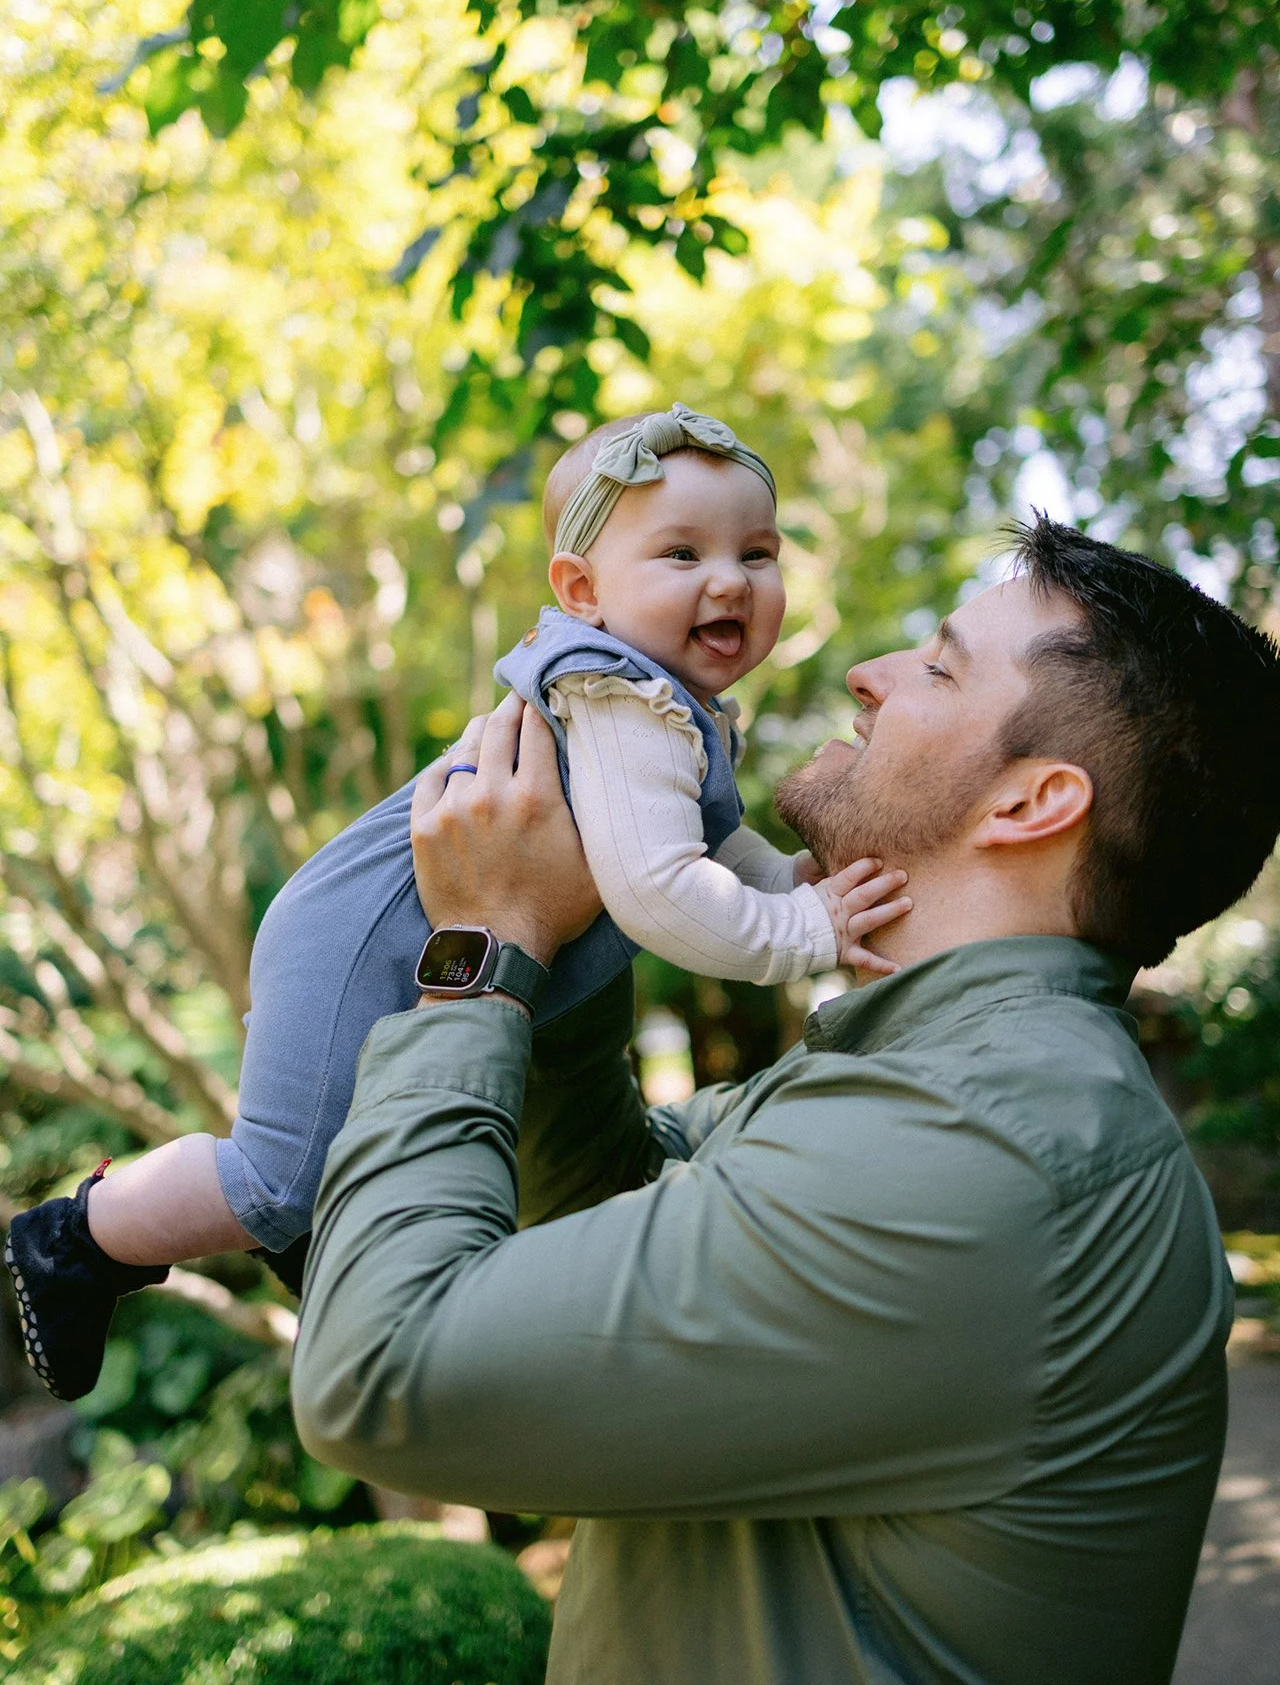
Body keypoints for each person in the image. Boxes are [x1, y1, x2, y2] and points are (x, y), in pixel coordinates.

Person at [292, 517, 1280, 1685]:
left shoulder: (988, 1144)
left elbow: (382, 1377)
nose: (869, 674)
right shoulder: (917, 1080)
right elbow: (591, 1210)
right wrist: (589, 889)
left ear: (1030, 804)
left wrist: (482, 948)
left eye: (939, 666)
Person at [5, 405, 905, 1402]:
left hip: (391, 933)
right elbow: (659, 893)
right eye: (681, 553)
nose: (729, 579)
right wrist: (803, 936)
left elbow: (707, 847)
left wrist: (790, 883)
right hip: (361, 941)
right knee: (271, 1179)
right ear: (582, 591)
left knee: (335, 1168)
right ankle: (72, 1240)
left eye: (758, 551)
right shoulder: (618, 701)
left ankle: (297, 1232)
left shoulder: (667, 705)